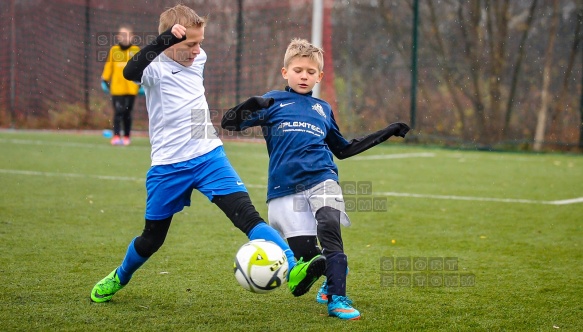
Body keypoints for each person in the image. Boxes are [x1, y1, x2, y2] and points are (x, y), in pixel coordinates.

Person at [90, 5, 326, 304]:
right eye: (190, 44)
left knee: (247, 216)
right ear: (170, 41)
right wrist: (163, 40)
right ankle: (120, 276)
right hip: (168, 166)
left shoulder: (198, 58)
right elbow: (129, 71)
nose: (197, 50)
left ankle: (295, 267)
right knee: (151, 240)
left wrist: (185, 43)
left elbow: (187, 54)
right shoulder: (155, 68)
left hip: (208, 155)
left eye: (199, 42)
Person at [221, 38, 410, 320]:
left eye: (311, 72)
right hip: (284, 189)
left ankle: (337, 298)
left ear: (319, 77)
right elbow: (229, 123)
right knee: (310, 257)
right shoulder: (272, 101)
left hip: (323, 178)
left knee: (330, 225)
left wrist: (386, 132)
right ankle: (328, 273)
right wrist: (251, 104)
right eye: (298, 70)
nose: (304, 76)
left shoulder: (323, 109)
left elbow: (343, 150)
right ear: (286, 72)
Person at [101, 25, 141, 146]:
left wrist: (142, 82)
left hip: (131, 88)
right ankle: (116, 135)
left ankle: (127, 136)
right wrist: (105, 78)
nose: (125, 38)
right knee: (118, 112)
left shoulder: (135, 50)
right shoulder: (114, 50)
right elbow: (109, 66)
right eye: (122, 35)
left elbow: (140, 67)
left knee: (127, 113)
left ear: (132, 37)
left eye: (127, 35)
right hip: (117, 88)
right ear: (118, 37)